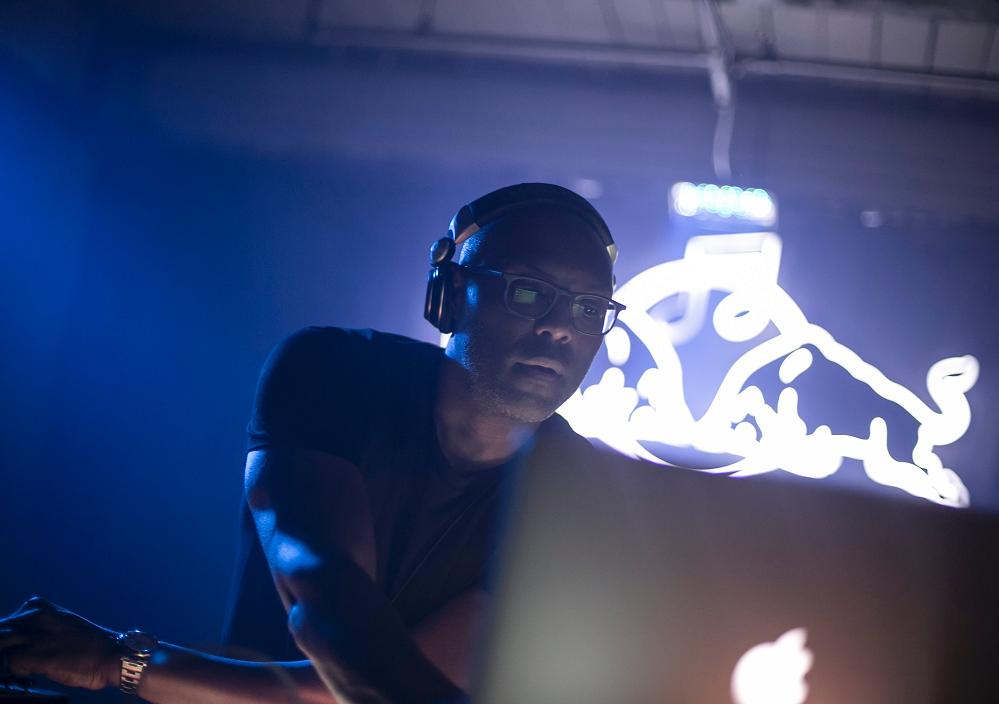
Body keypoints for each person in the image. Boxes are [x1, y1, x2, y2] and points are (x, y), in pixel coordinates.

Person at [0, 183, 625, 703]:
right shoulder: (334, 372)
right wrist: (123, 663)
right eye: (528, 291)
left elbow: (357, 690)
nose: (560, 328)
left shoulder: (574, 490)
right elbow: (328, 608)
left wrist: (122, 661)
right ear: (450, 292)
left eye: (588, 308)